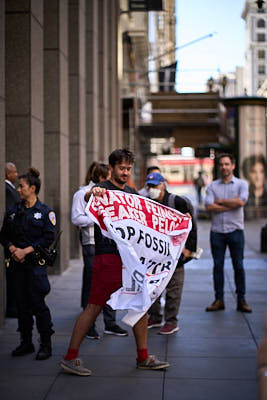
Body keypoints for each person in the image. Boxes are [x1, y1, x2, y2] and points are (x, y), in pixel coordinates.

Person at [60, 149, 169, 376]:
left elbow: (149, 219)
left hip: (129, 259)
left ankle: (142, 356)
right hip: (107, 256)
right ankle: (70, 357)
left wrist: (179, 220)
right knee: (94, 306)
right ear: (111, 168)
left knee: (140, 304)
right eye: (121, 168)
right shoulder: (102, 191)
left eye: (128, 169)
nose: (125, 172)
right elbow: (88, 199)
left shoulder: (131, 192)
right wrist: (94, 193)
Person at [0, 167, 56, 360]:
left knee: (38, 305)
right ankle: (26, 342)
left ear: (32, 188)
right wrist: (13, 248)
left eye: (21, 186)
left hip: (35, 266)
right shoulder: (13, 211)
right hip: (17, 266)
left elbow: (49, 237)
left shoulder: (45, 211)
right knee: (21, 306)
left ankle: (45, 344)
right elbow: (3, 235)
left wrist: (27, 250)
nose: (18, 189)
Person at [71, 162, 128, 339]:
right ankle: (89, 325)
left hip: (109, 244)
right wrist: (97, 218)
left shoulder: (111, 193)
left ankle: (110, 323)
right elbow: (76, 218)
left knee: (111, 284)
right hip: (91, 243)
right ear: (101, 177)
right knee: (92, 284)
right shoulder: (82, 194)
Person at [145, 172, 197, 335]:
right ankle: (154, 316)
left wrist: (189, 249)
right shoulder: (148, 203)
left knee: (174, 289)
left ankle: (171, 321)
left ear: (163, 185)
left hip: (176, 254)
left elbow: (191, 226)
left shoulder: (177, 201)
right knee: (153, 287)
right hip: (155, 254)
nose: (152, 189)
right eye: (150, 186)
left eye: (155, 186)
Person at [205, 153, 252, 313]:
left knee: (238, 265)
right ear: (219, 167)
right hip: (217, 232)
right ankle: (219, 300)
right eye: (221, 164)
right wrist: (232, 204)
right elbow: (209, 207)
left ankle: (241, 300)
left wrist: (220, 201)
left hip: (236, 231)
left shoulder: (242, 184)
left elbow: (241, 202)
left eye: (227, 164)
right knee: (218, 266)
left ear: (233, 166)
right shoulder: (212, 186)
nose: (224, 167)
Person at [5, 162, 20, 317]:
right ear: (7, 173)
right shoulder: (7, 189)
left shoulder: (11, 188)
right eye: (14, 172)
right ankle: (12, 308)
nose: (16, 174)